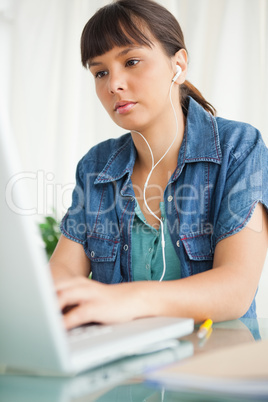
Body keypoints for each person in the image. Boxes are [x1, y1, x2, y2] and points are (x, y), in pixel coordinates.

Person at [50, 0, 268, 329]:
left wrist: (128, 300)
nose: (114, 85)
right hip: (123, 368)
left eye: (132, 61)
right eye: (101, 72)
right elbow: (61, 276)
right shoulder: (95, 166)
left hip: (215, 367)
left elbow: (235, 288)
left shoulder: (238, 147)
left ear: (178, 64)